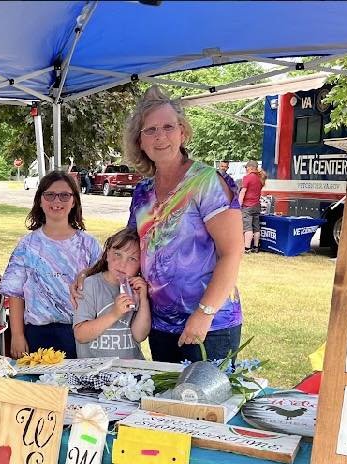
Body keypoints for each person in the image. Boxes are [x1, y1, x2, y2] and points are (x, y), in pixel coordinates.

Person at [120, 85, 244, 363]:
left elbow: (232, 252)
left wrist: (204, 314)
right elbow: (129, 250)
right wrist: (89, 275)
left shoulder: (207, 182)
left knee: (206, 406)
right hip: (160, 325)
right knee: (163, 406)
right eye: (149, 130)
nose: (160, 136)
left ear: (183, 132)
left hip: (210, 327)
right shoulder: (142, 193)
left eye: (168, 127)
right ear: (139, 141)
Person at [0, 171, 101, 360]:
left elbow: (103, 288)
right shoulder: (27, 246)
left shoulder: (89, 245)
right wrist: (17, 335)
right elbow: (15, 294)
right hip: (37, 334)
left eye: (65, 195)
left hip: (79, 334)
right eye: (50, 195)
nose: (57, 201)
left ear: (74, 201)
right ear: (40, 200)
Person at [73, 228, 150, 359]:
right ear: (107, 253)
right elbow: (81, 335)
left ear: (141, 265)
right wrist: (115, 314)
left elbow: (140, 335)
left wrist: (143, 300)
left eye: (132, 259)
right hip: (95, 372)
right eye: (117, 254)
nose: (122, 263)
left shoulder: (136, 288)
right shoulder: (90, 285)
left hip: (130, 373)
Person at [239, 160, 265, 253]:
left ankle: (247, 248)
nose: (246, 169)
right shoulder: (260, 178)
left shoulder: (247, 178)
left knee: (247, 228)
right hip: (257, 205)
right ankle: (256, 247)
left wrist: (239, 204)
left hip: (247, 206)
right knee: (256, 227)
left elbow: (243, 192)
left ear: (250, 168)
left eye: (246, 167)